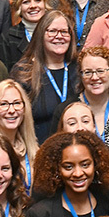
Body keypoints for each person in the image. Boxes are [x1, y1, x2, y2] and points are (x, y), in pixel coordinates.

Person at [11, 9, 81, 143]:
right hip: (38, 151)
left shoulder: (79, 69)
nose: (59, 36)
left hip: (76, 150)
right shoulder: (24, 72)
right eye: (52, 31)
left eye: (64, 32)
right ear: (40, 34)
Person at [0, 0, 49, 69]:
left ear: (45, 4)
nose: (33, 6)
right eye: (26, 2)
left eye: (38, 0)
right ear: (19, 7)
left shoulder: (56, 33)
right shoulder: (8, 37)